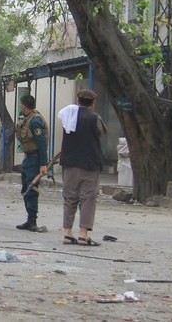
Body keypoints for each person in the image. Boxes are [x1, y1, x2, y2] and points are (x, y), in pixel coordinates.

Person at [58, 89, 107, 246]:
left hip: (69, 163)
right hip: (89, 164)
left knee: (69, 197)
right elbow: (102, 132)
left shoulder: (67, 115)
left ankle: (67, 233)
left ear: (78, 101)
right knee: (88, 198)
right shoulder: (94, 117)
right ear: (93, 103)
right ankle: (83, 235)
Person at [15, 94, 48, 232]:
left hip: (34, 159)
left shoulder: (34, 121)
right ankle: (29, 219)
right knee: (26, 188)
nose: (20, 107)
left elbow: (41, 143)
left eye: (21, 104)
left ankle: (32, 220)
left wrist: (43, 163)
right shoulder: (28, 119)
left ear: (24, 105)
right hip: (29, 158)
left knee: (31, 189)